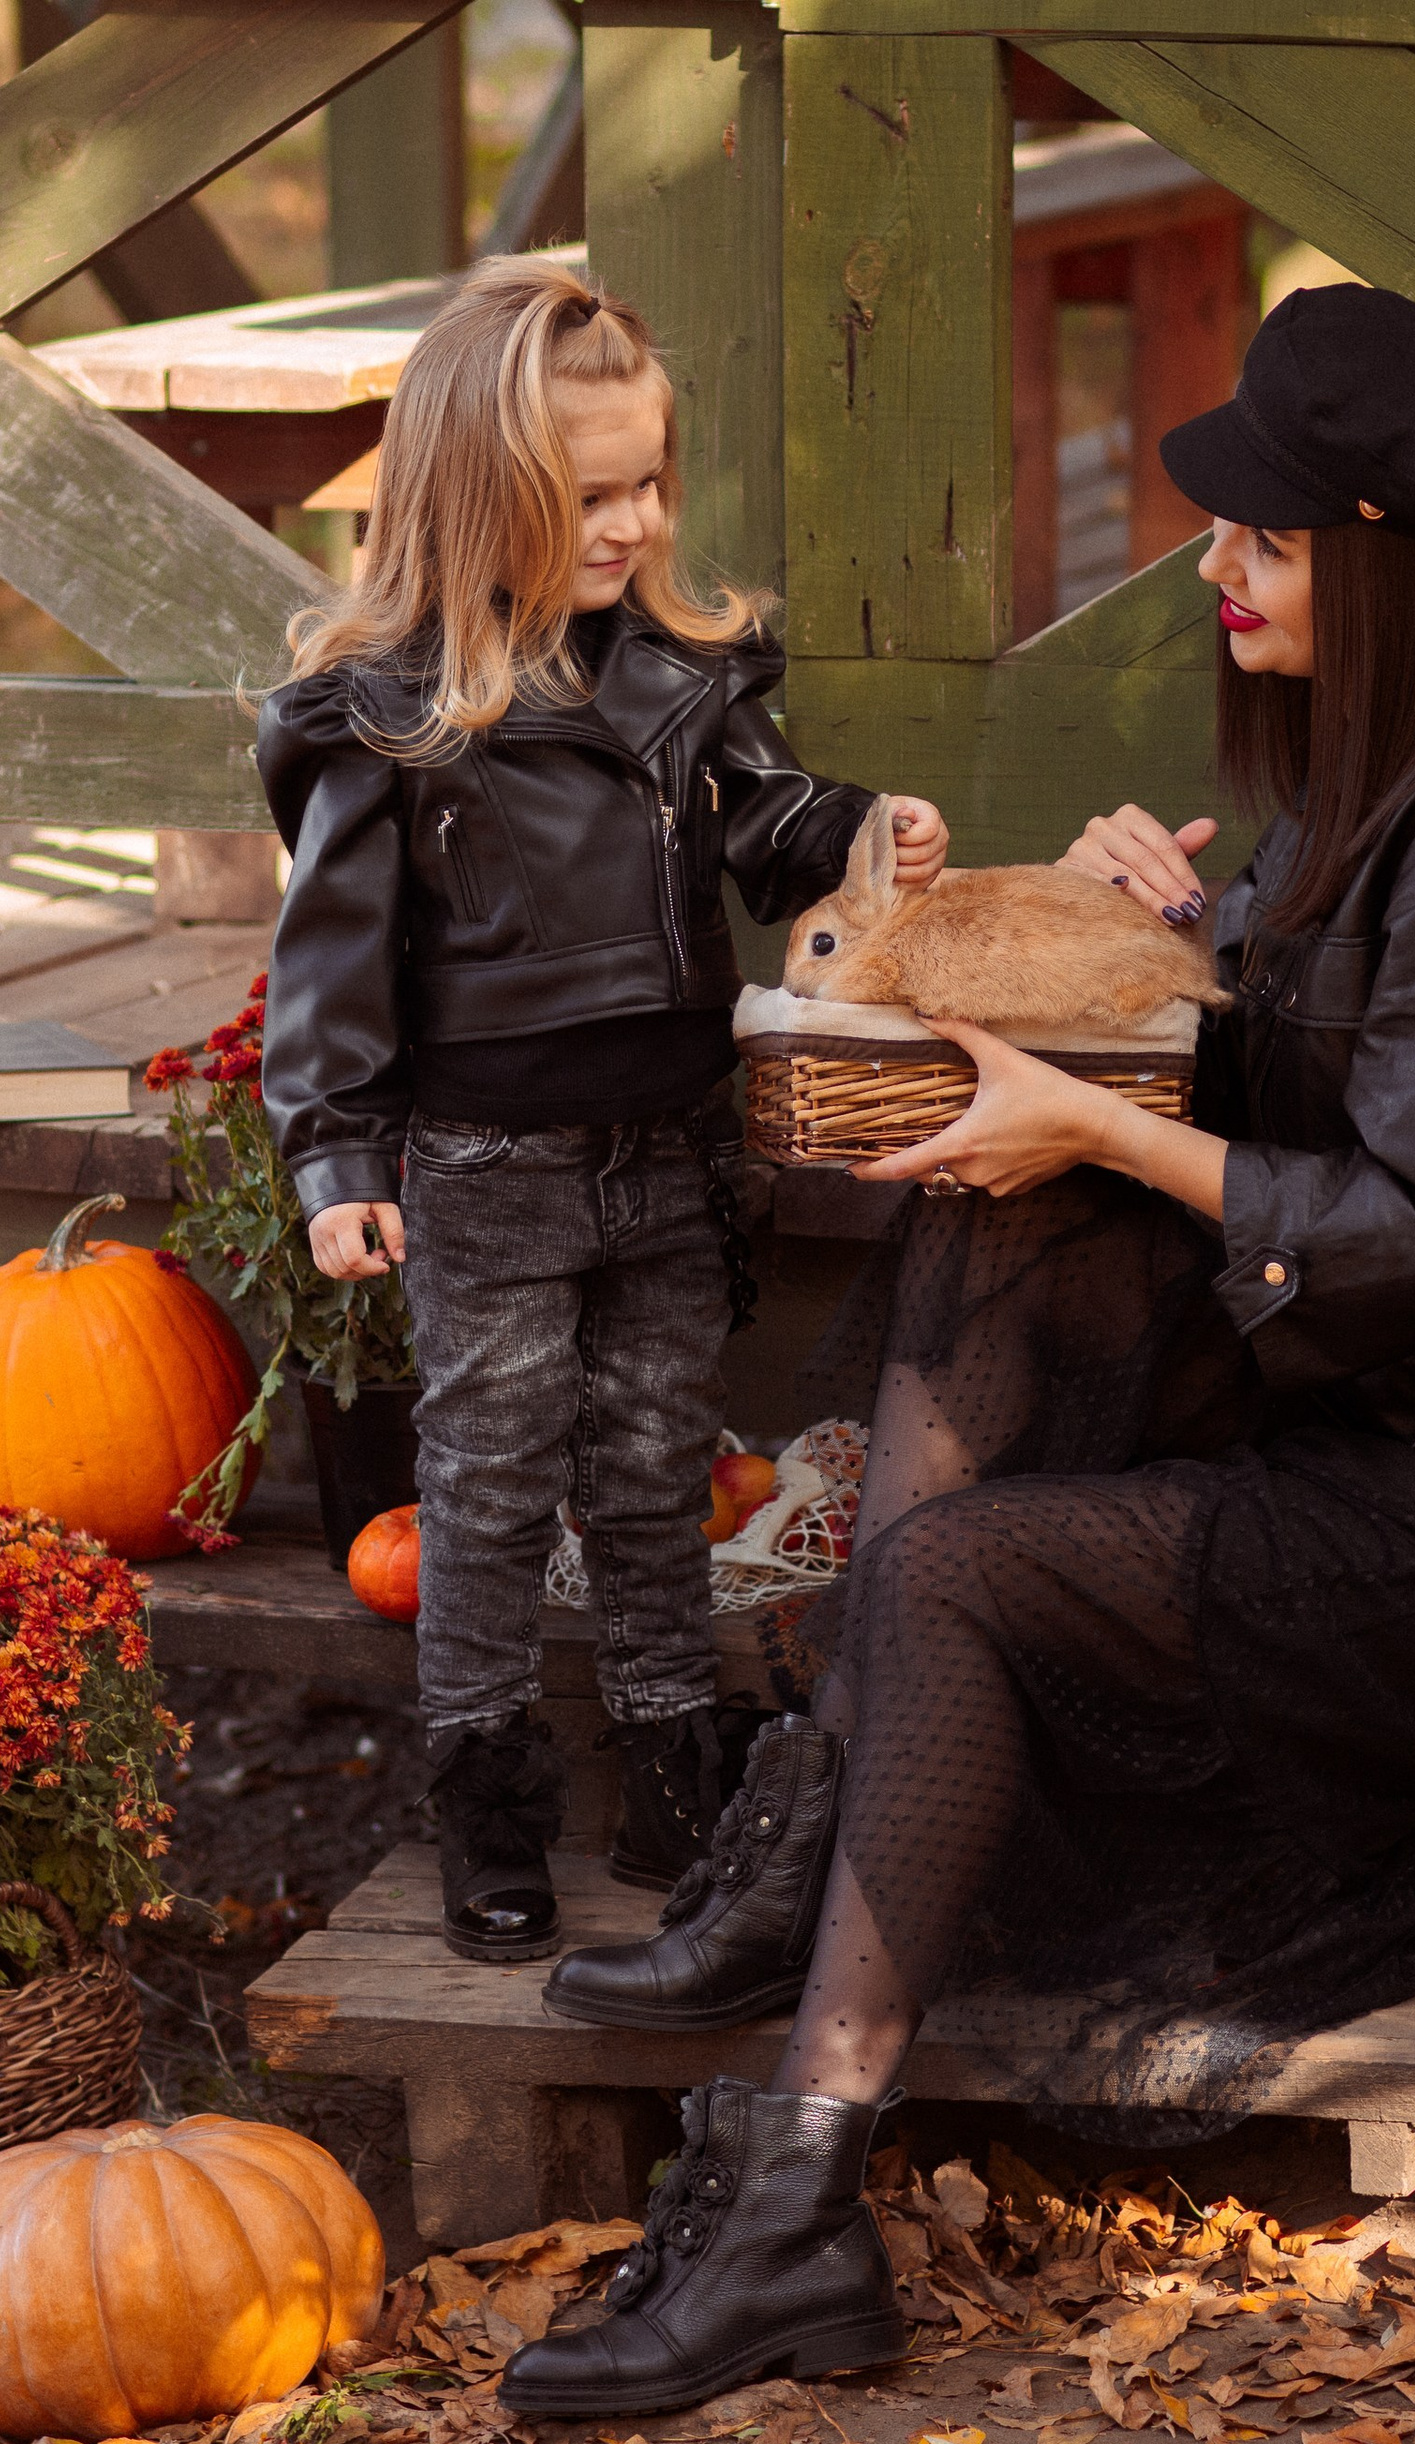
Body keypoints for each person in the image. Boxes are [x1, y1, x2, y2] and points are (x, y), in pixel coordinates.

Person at [504, 284, 1415, 2417]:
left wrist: (1103, 1108)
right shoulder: (1388, 777)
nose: (1213, 569)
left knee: (950, 1554)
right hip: (1391, 1402)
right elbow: (1323, 1097)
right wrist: (1168, 960)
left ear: (1374, 558)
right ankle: (812, 1839)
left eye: (1261, 541)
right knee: (1010, 1222)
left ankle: (796, 2180)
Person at [257, 257, 950, 1963]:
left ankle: (668, 1775)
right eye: (590, 496)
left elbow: (773, 825)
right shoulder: (393, 729)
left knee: (653, 1472)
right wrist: (338, 1148)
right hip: (491, 1168)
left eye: (651, 483)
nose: (635, 523)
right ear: (474, 494)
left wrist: (869, 832)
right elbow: (330, 965)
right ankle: (487, 1800)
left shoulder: (674, 680)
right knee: (488, 1489)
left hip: (672, 1150)